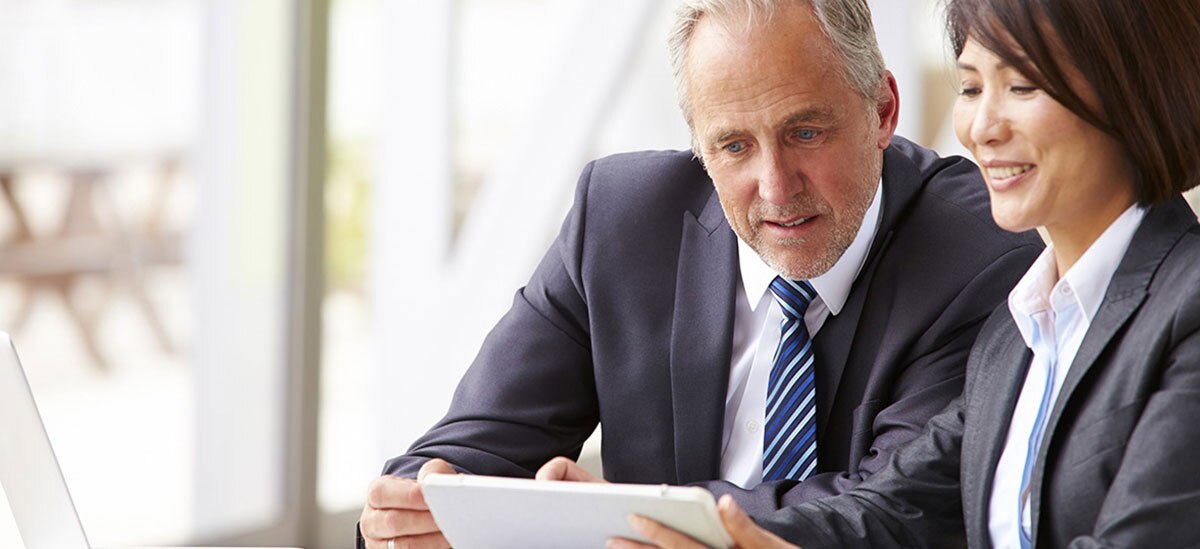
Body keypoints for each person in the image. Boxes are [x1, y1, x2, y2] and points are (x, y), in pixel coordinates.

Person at [357, 0, 1043, 547]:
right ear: (699, 147)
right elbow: (468, 452)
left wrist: (633, 520)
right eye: (734, 145)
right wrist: (411, 509)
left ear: (882, 111)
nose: (776, 187)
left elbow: (892, 512)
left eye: (805, 133)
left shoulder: (983, 249)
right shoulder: (620, 221)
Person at [619, 0, 1200, 547]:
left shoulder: (1186, 309)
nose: (982, 128)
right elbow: (893, 511)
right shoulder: (1022, 328)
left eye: (1021, 87)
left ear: (1134, 91)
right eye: (971, 88)